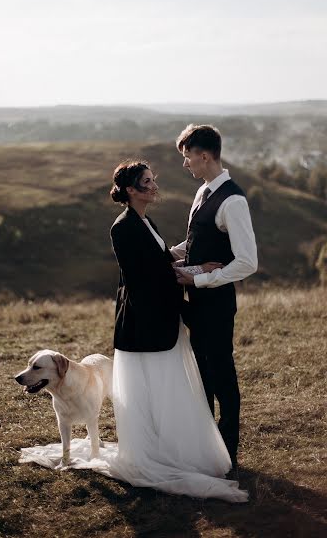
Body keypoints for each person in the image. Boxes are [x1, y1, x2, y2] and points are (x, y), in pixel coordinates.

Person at [19, 159, 248, 503]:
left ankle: (175, 449)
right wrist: (196, 272)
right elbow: (144, 279)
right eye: (147, 182)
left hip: (161, 321)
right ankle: (156, 455)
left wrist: (187, 260)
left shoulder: (145, 220)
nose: (155, 186)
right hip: (143, 326)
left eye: (153, 180)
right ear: (131, 190)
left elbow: (157, 261)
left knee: (169, 392)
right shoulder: (122, 227)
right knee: (153, 393)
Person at [171, 125, 258, 472]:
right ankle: (208, 449)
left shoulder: (233, 201)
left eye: (187, 156)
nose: (186, 164)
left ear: (204, 155)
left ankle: (229, 454)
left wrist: (204, 278)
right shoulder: (203, 191)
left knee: (222, 374)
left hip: (218, 305)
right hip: (196, 303)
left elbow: (247, 261)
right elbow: (195, 241)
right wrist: (163, 252)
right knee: (202, 373)